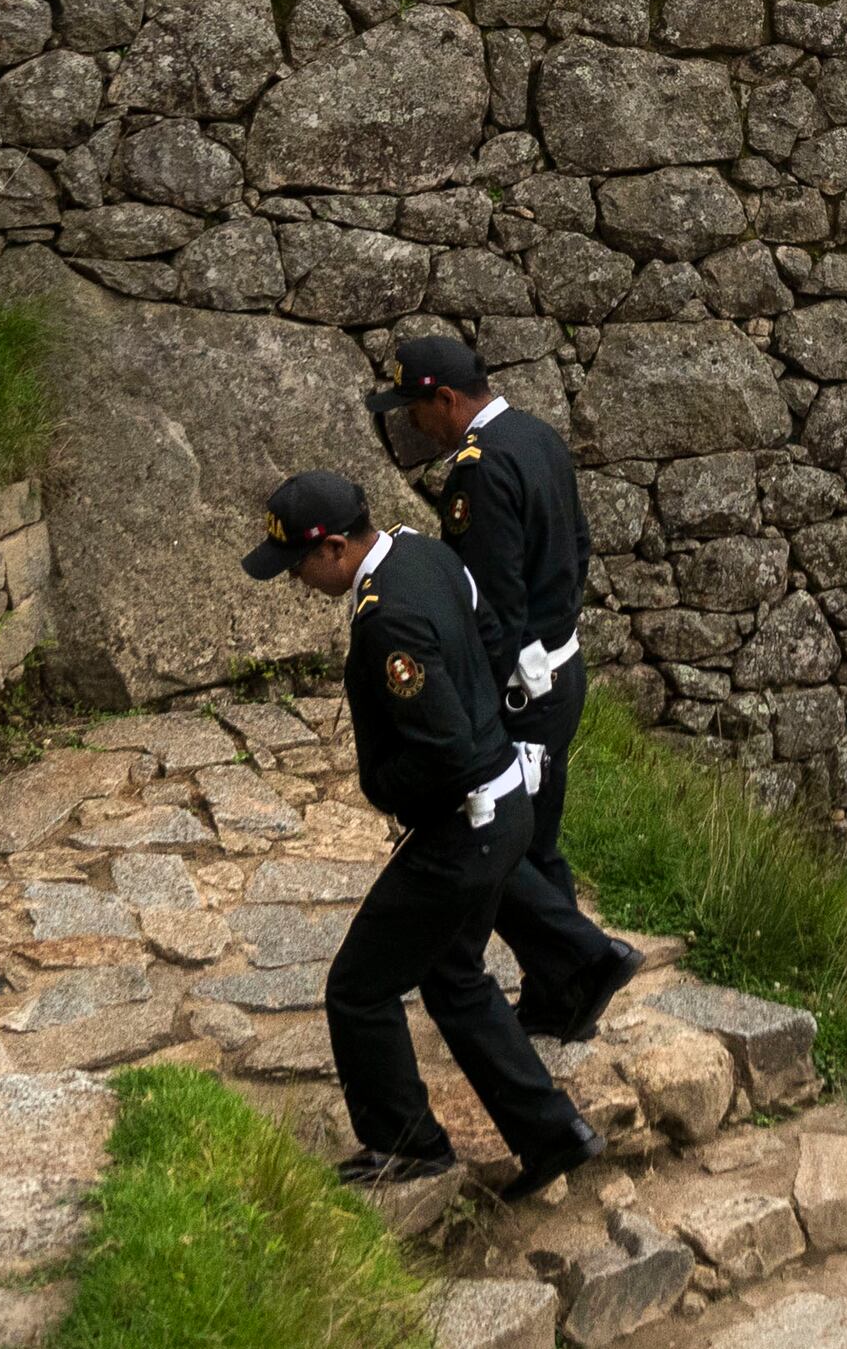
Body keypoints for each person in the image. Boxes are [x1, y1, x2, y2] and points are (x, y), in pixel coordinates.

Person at [240, 468, 596, 1193]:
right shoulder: (426, 554)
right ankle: (554, 1134)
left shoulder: (387, 616)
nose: (298, 581)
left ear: (335, 547)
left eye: (300, 566)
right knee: (454, 975)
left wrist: (383, 789)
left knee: (359, 988)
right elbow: (492, 635)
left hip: (464, 829)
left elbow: (444, 750)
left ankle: (407, 1144)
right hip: (504, 805)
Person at [370, 335, 644, 1040]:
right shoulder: (536, 434)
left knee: (502, 840)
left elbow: (488, 601)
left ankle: (583, 964)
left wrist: (481, 694)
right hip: (559, 665)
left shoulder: (480, 470)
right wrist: (556, 635)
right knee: (534, 838)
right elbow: (578, 544)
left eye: (414, 409)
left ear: (446, 399)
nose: (412, 425)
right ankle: (566, 991)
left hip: (524, 687)